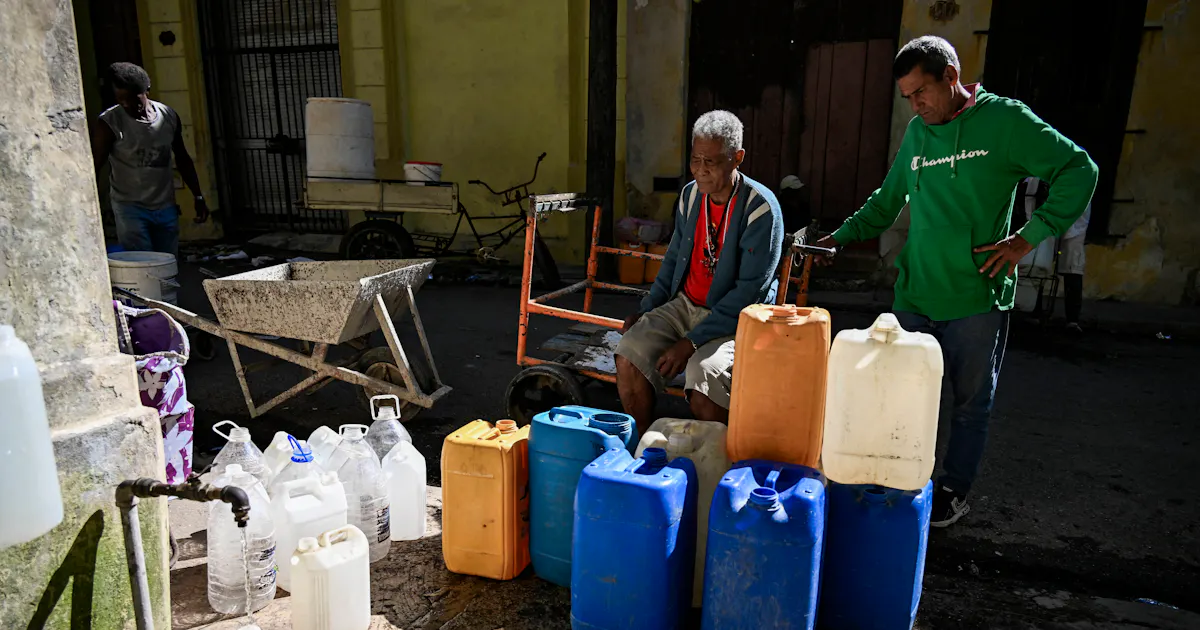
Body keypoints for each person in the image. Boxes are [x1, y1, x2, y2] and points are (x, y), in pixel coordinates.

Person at [814, 36, 1097, 527]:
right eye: (906, 97)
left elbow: (1079, 168)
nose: (915, 105)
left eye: (920, 92)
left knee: (968, 405)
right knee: (895, 395)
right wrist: (837, 239)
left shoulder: (1005, 121)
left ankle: (952, 489)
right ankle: (892, 480)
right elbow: (886, 202)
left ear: (951, 76)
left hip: (975, 297)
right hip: (914, 296)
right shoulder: (919, 133)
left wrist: (1027, 239)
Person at [614, 110, 784, 429]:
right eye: (696, 160)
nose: (701, 171)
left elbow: (750, 293)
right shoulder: (691, 196)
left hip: (735, 317)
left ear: (738, 158)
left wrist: (691, 343)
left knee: (703, 378)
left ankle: (716, 463)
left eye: (712, 162)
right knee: (629, 353)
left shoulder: (760, 208)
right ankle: (639, 450)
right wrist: (648, 309)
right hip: (686, 304)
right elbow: (673, 259)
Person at [92, 62, 209, 256]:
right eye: (121, 100)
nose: (127, 105)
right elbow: (95, 165)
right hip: (130, 208)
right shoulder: (109, 123)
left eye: (132, 99)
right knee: (143, 266)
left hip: (165, 206)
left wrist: (198, 196)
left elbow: (182, 157)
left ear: (147, 90)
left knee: (167, 264)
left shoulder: (168, 117)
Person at [1022, 177, 1090, 332]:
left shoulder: (1078, 169)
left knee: (1072, 263)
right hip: (1042, 216)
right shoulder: (1038, 169)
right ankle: (1035, 310)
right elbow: (1029, 195)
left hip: (1073, 217)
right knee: (1039, 263)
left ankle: (1072, 319)